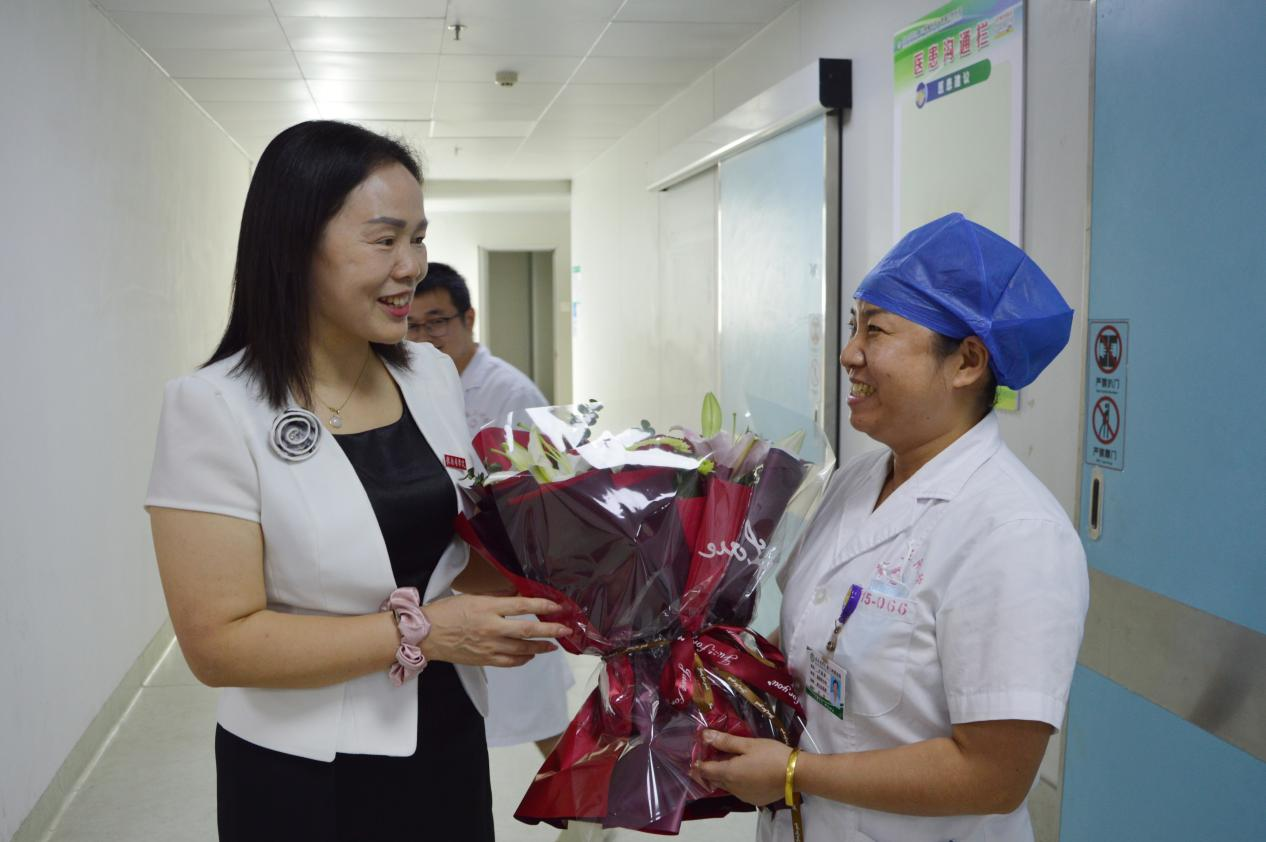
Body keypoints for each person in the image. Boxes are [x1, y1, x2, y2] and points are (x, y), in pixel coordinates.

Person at [145, 120, 569, 842]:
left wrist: (579, 555)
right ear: (295, 245)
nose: (412, 267)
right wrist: (427, 632)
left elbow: (452, 552)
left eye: (419, 238)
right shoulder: (213, 407)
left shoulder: (429, 374)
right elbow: (217, 644)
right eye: (385, 240)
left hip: (446, 730)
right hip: (305, 767)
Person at [696, 213, 1089, 842]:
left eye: (875, 330)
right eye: (854, 325)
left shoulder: (1014, 533)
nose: (849, 353)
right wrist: (698, 666)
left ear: (967, 362)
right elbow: (808, 638)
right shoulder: (856, 480)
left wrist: (796, 773)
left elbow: (994, 776)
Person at [408, 262, 575, 757]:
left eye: (437, 321)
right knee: (467, 714)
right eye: (412, 324)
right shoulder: (415, 382)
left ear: (468, 318)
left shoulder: (511, 391)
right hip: (449, 573)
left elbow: (551, 487)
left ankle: (582, 801)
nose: (423, 336)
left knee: (537, 710)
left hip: (507, 569)